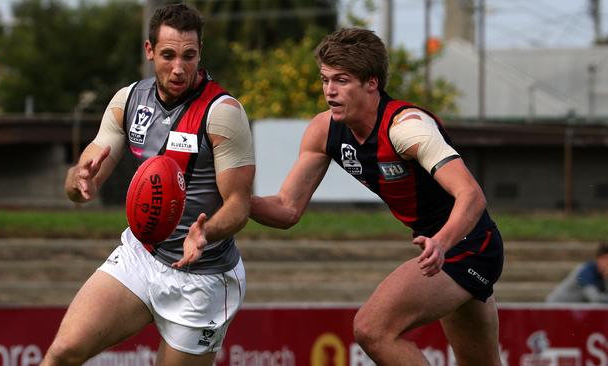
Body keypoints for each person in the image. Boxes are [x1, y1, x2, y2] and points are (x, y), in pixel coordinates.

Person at [250, 27, 504, 366]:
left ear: (372, 83)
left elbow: (471, 196)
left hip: (468, 245)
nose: (329, 91)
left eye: (341, 80)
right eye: (326, 80)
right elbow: (286, 209)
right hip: (442, 248)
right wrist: (236, 200)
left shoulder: (407, 128)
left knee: (372, 328)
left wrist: (441, 242)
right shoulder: (324, 130)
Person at [42, 4, 255, 365]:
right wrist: (78, 180)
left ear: (200, 52)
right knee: (62, 353)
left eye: (189, 56)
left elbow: (238, 205)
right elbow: (82, 183)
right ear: (149, 50)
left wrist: (205, 233)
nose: (178, 68)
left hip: (202, 279)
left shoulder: (222, 113)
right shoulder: (128, 101)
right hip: (142, 255)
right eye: (168, 55)